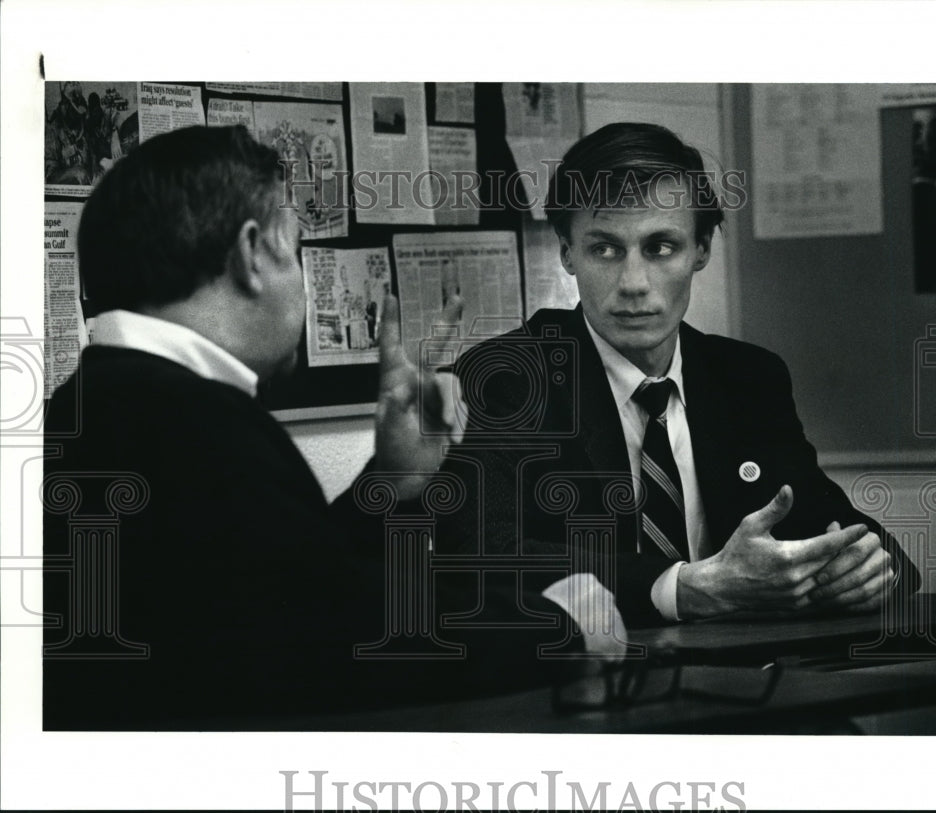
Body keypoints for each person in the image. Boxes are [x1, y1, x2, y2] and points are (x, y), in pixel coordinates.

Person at [42, 125, 614, 730]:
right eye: (297, 247)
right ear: (252, 254)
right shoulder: (193, 421)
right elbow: (344, 640)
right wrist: (558, 624)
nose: (305, 284)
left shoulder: (100, 398)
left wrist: (392, 481)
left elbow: (290, 585)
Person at [436, 123, 920, 627]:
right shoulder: (507, 379)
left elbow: (839, 526)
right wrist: (678, 588)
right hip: (583, 681)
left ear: (702, 250)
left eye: (661, 247)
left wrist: (869, 570)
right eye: (604, 249)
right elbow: (477, 554)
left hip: (747, 679)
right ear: (566, 254)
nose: (633, 284)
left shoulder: (748, 378)